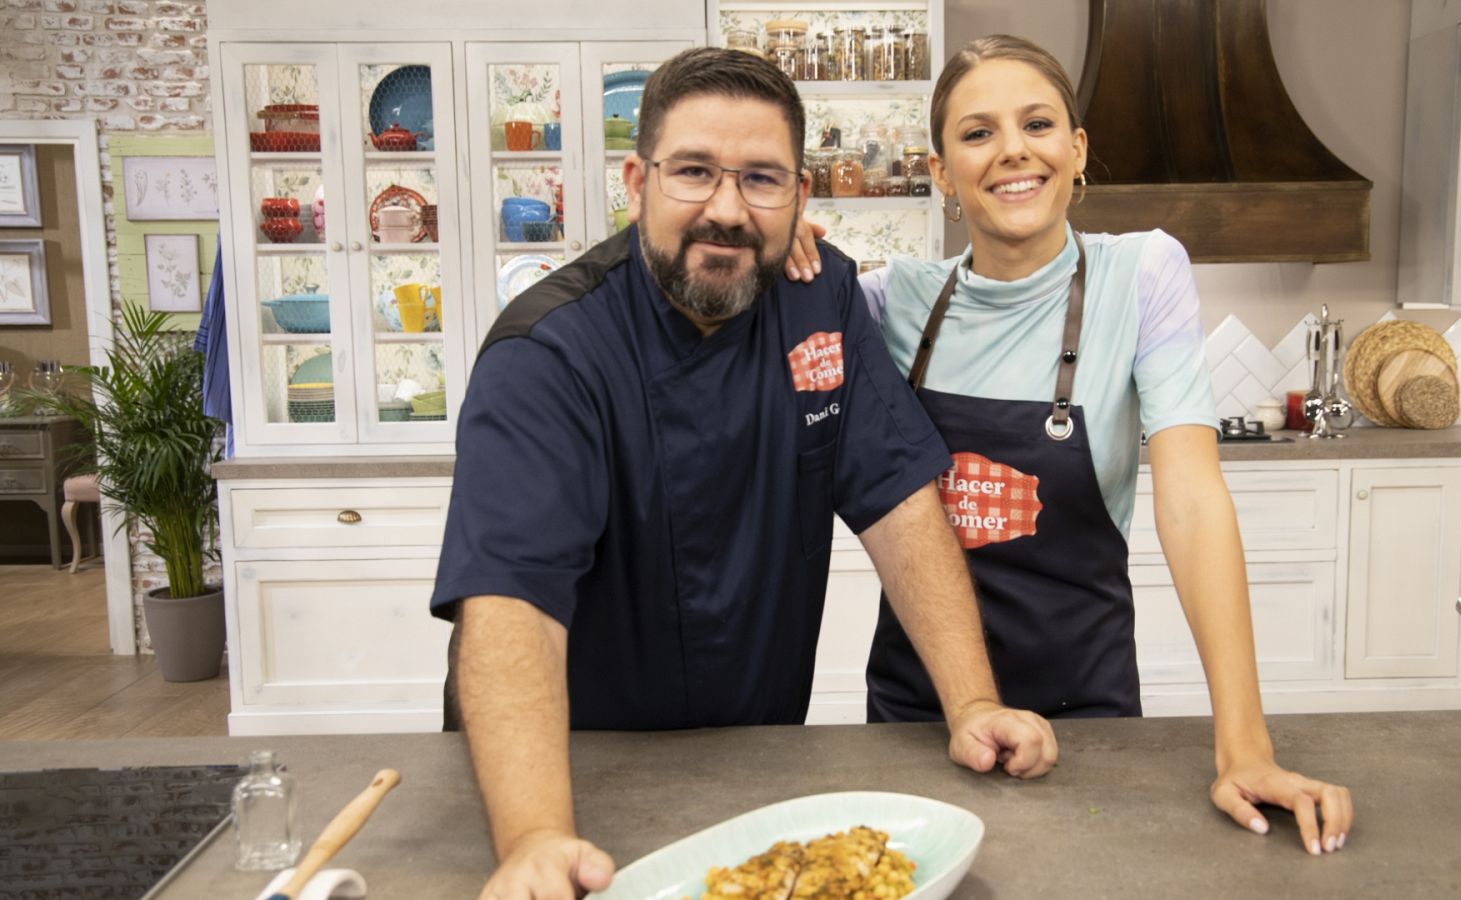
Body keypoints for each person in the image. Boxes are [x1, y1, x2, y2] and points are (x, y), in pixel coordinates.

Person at [429, 47, 1057, 899]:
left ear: (801, 196)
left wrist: (974, 705)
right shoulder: (549, 353)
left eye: (761, 179)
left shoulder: (816, 299)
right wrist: (536, 833)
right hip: (566, 773)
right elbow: (511, 603)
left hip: (756, 774)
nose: (725, 210)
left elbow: (900, 503)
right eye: (694, 172)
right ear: (636, 180)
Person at [786, 35, 1354, 856]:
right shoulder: (886, 301)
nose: (1013, 149)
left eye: (1038, 124)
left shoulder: (1143, 274)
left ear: (1077, 149)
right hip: (922, 713)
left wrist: (1245, 749)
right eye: (977, 133)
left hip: (1087, 709)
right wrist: (779, 240)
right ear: (941, 173)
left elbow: (1192, 501)